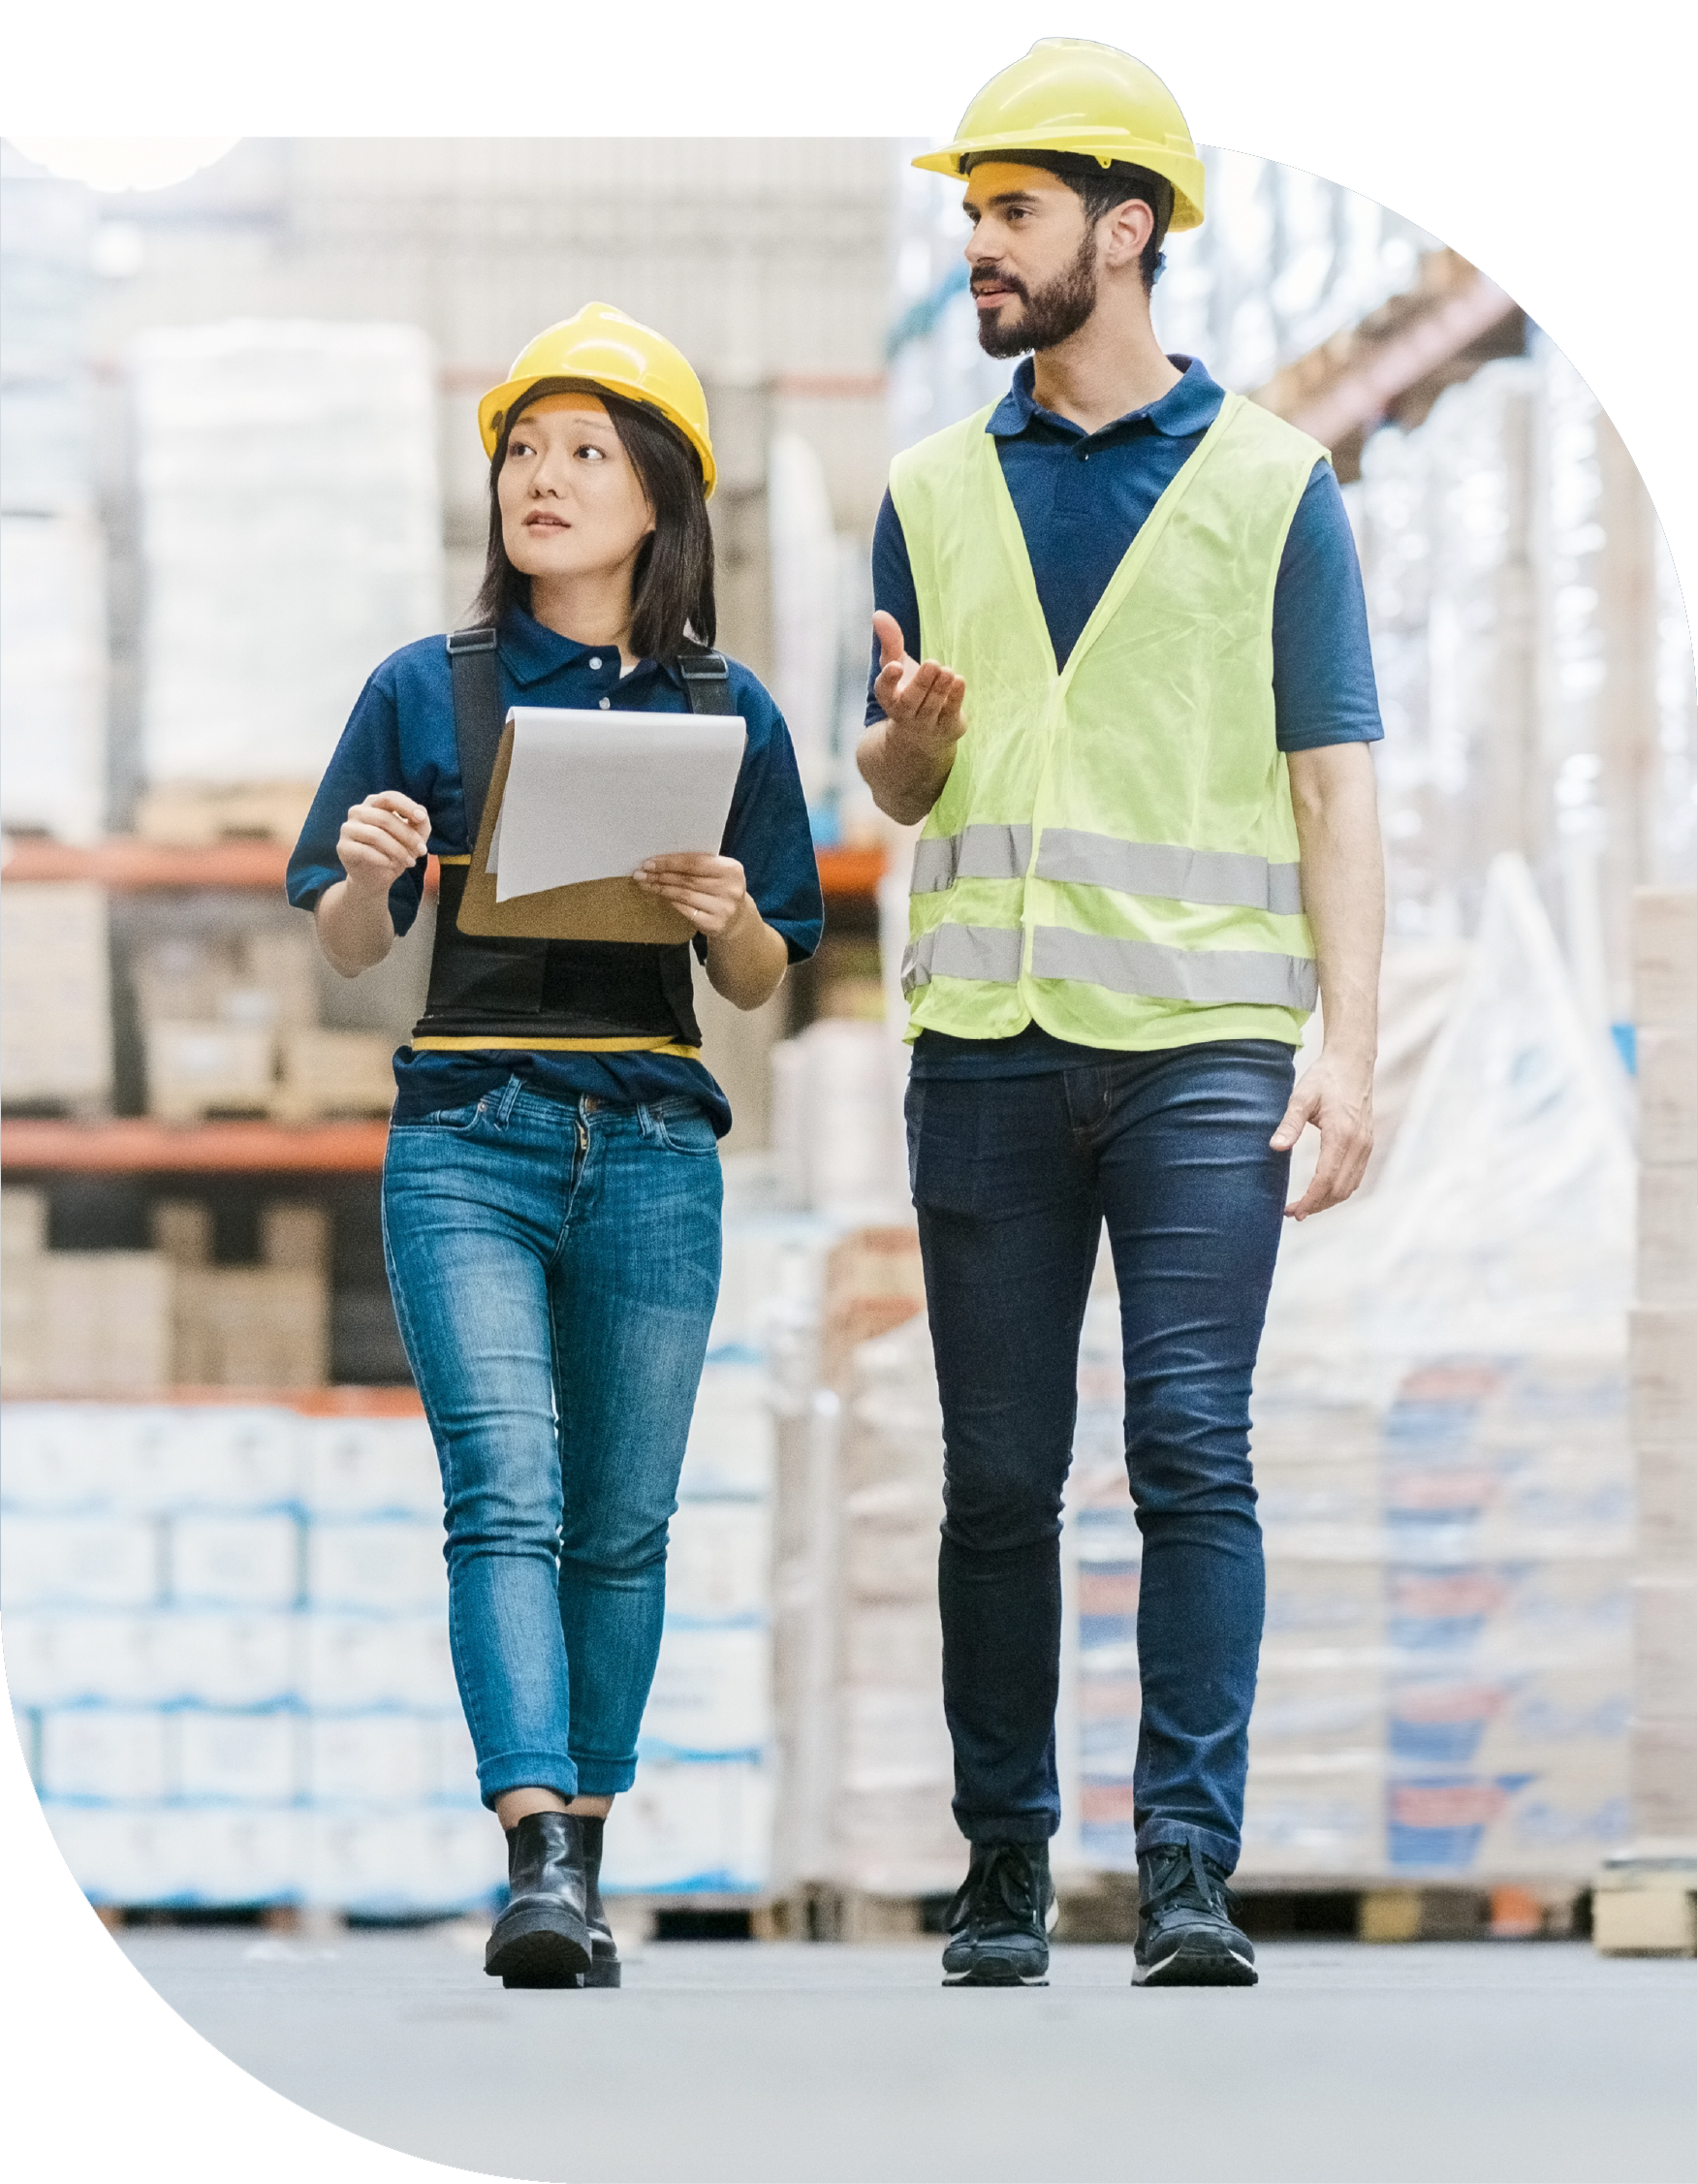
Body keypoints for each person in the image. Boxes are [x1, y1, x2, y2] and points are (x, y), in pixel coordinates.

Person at [859, 40, 1385, 1988]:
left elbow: (1336, 784)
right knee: (998, 1473)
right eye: (973, 215)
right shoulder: (926, 490)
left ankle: (1184, 1868)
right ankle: (1005, 1863)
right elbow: (902, 794)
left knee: (1191, 1447)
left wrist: (1352, 1044)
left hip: (1205, 1057)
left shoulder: (1272, 489)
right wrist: (904, 754)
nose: (981, 248)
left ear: (1127, 225)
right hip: (988, 1053)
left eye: (1012, 211)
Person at [288, 303, 822, 1987]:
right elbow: (347, 947)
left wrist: (729, 910)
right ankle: (530, 1857)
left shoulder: (724, 711)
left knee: (622, 1521)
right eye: (525, 448)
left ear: (658, 496)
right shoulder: (421, 691)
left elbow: (763, 972)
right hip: (470, 1142)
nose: (546, 476)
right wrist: (373, 875)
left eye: (588, 450)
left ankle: (585, 1857)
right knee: (503, 1492)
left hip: (657, 1150)